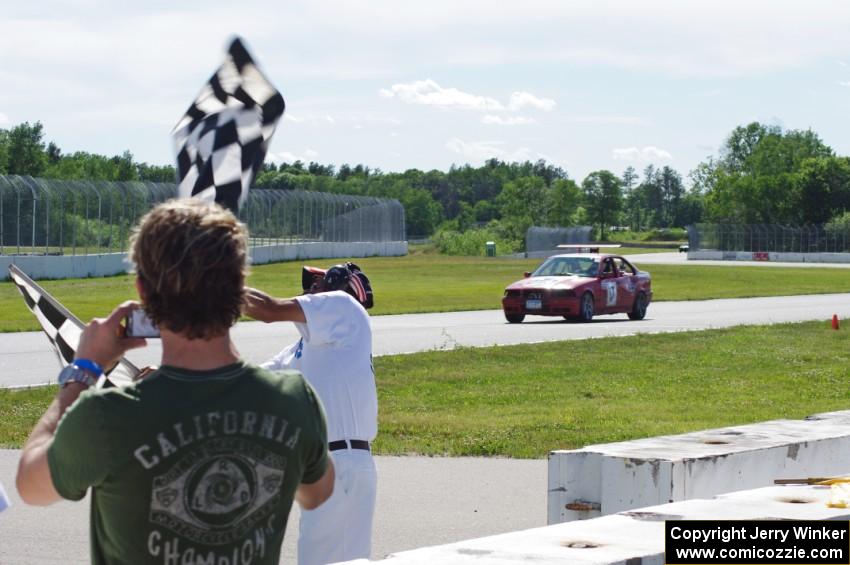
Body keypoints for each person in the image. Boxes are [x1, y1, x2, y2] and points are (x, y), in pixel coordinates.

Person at [16, 199, 334, 565]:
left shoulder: (106, 416)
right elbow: (317, 493)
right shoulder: (295, 401)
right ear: (241, 286)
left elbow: (30, 484)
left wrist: (83, 370)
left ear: (143, 292)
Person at [243, 262, 377, 565]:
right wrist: (170, 376)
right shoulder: (304, 349)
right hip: (331, 465)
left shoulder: (344, 307)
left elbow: (268, 310)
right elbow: (245, 383)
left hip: (340, 462)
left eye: (314, 288)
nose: (307, 294)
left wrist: (211, 285)